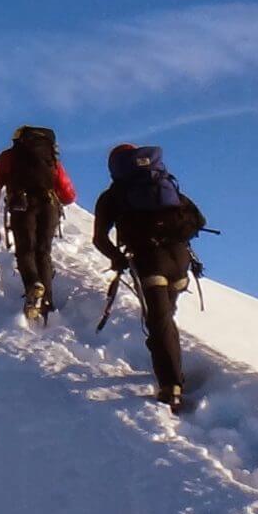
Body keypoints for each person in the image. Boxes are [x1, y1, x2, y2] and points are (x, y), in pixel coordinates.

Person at [92, 144, 205, 411]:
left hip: (149, 260)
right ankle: (171, 369)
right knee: (165, 316)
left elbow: (99, 238)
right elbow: (198, 219)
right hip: (180, 260)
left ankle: (171, 385)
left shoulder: (113, 195)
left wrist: (117, 258)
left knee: (158, 320)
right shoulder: (164, 183)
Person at [0, 125, 78, 321]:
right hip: (49, 204)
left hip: (22, 204)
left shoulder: (8, 157)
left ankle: (33, 286)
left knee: (26, 249)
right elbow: (69, 194)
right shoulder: (50, 158)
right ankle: (47, 304)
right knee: (43, 251)